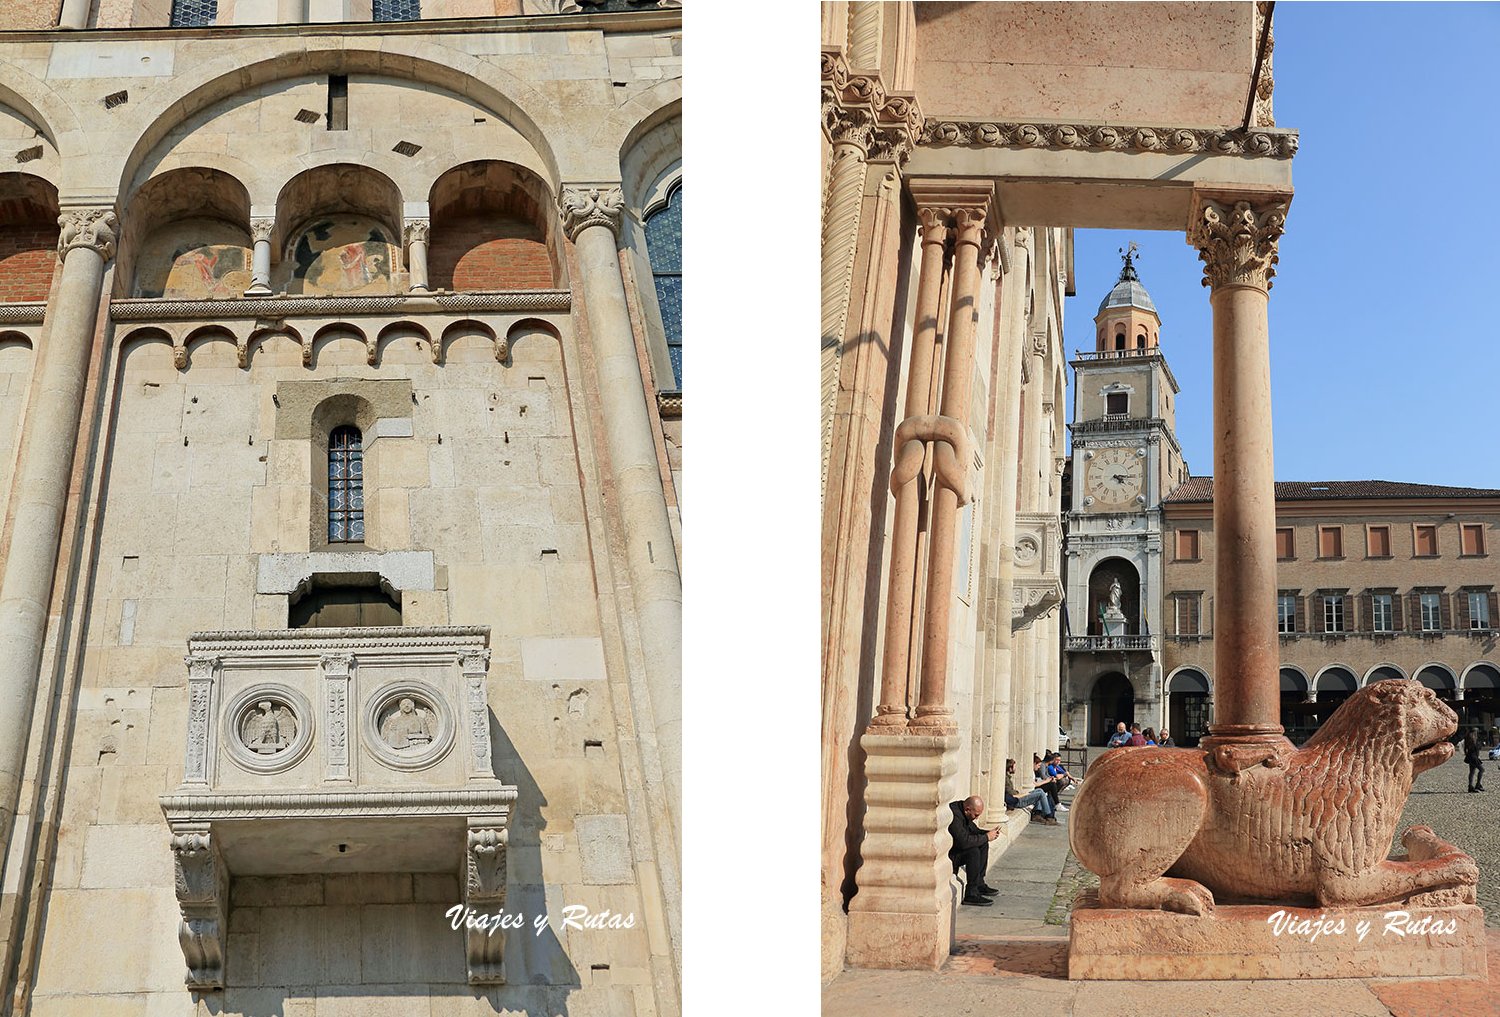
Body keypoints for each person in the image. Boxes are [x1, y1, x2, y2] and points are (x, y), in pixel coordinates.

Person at [948, 796, 1002, 905]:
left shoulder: (965, 812)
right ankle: (971, 893)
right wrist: (986, 836)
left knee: (982, 844)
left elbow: (974, 830)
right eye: (976, 815)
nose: (976, 818)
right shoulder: (955, 815)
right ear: (967, 809)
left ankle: (979, 884)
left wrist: (988, 833)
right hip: (950, 854)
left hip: (958, 849)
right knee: (973, 851)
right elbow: (964, 842)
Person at [1004, 759, 1058, 825]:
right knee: (1040, 793)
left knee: (1040, 790)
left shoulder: (1008, 777)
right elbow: (1012, 795)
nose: (1015, 769)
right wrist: (1025, 794)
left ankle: (1037, 813)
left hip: (1017, 797)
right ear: (1010, 768)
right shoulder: (1006, 779)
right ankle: (1049, 816)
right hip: (1017, 801)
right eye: (1014, 767)